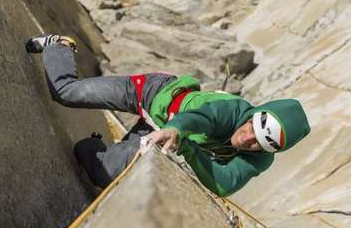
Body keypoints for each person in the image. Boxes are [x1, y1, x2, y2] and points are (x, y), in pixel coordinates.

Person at [26, 34, 311, 197]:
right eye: (252, 127)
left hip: (163, 132)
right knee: (65, 92)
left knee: (101, 173)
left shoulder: (260, 159)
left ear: (267, 150)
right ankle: (58, 45)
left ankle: (94, 144)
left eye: (257, 142)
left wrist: (184, 145)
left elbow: (225, 183)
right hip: (152, 94)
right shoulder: (234, 111)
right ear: (254, 114)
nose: (247, 138)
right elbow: (203, 117)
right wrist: (176, 130)